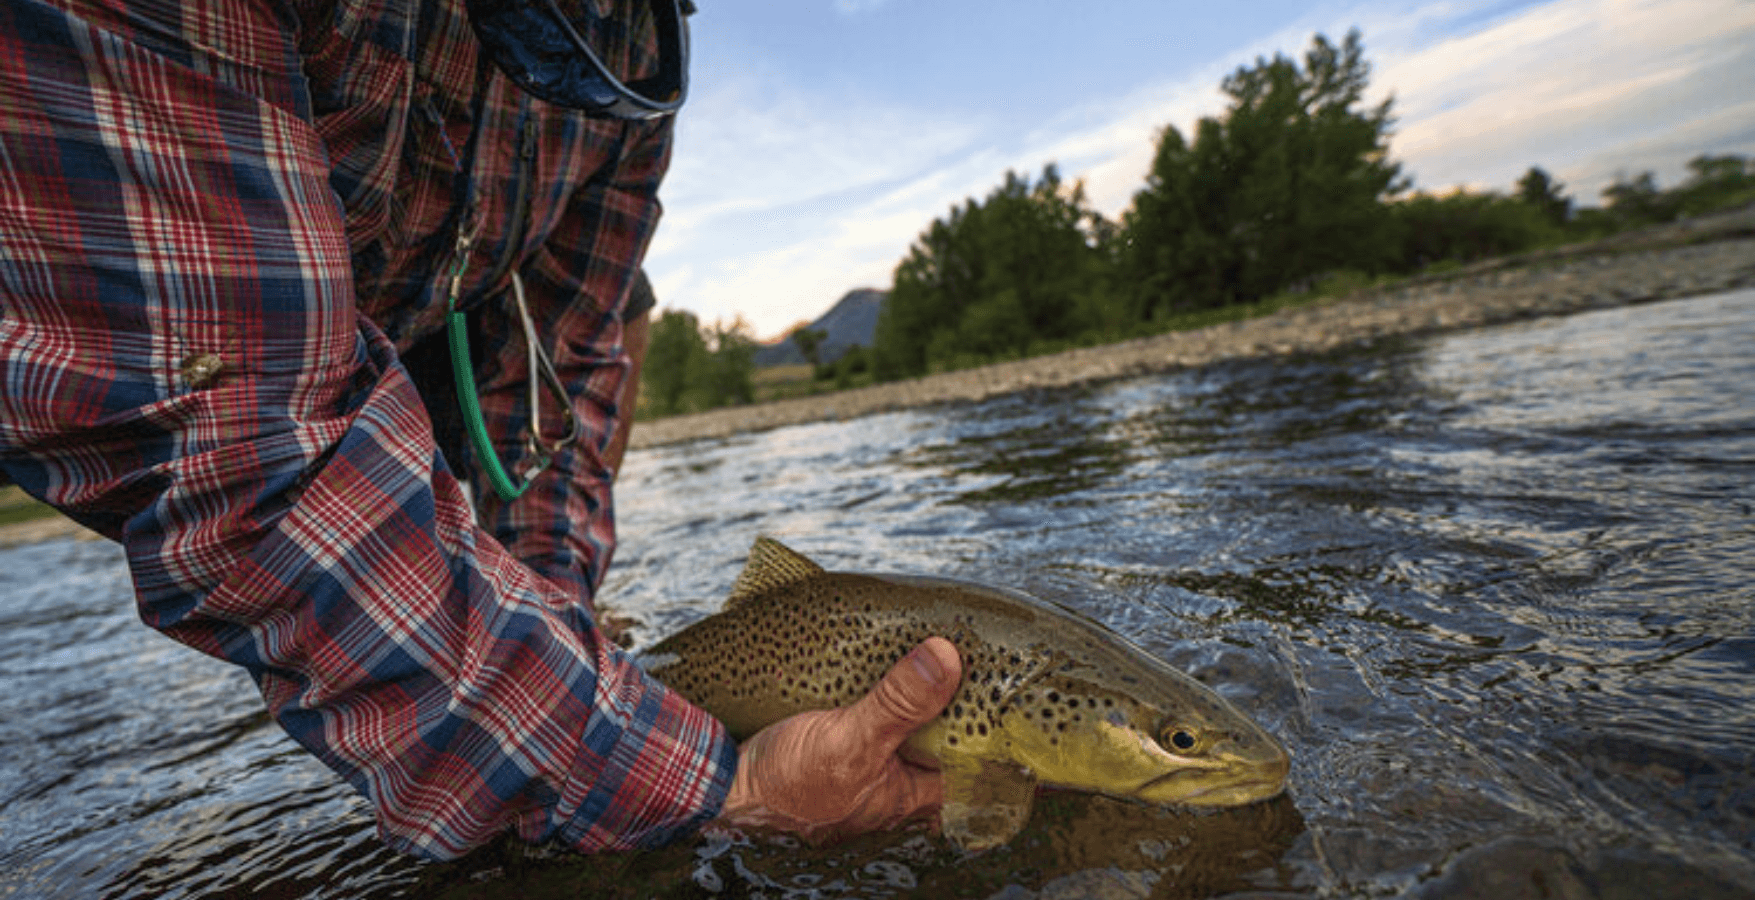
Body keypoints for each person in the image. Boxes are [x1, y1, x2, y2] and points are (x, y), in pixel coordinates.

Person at [0, 0, 961, 861]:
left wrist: (558, 625)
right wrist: (725, 790)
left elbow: (562, 377)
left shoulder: (632, 59)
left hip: (375, 315)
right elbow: (244, 447)